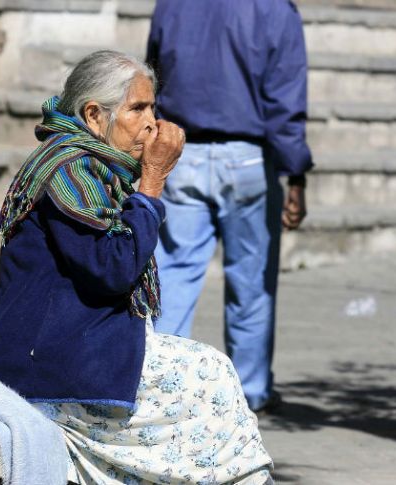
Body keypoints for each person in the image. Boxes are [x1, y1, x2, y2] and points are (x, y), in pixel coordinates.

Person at [0, 50, 274, 484]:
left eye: (153, 108)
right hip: (49, 365)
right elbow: (114, 267)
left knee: (211, 378)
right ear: (95, 115)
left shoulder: (93, 166)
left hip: (79, 344)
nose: (152, 124)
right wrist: (152, 184)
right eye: (138, 109)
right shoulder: (69, 170)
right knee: (210, 376)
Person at [146, 0, 314, 413]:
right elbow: (284, 102)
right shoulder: (276, 10)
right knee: (252, 284)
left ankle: (161, 388)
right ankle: (250, 393)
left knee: (172, 274)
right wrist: (296, 173)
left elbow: (151, 80)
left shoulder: (172, 4)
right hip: (249, 159)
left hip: (182, 151)